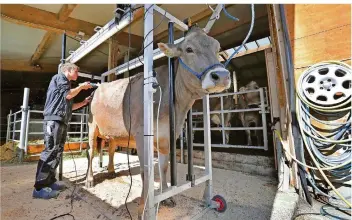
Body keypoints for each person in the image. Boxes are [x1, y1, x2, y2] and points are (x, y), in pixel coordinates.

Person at [33, 63, 93, 199]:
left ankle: (50, 181)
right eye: (76, 70)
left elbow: (70, 105)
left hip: (61, 121)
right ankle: (39, 188)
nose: (78, 73)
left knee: (57, 151)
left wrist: (83, 102)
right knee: (50, 151)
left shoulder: (66, 86)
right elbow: (68, 95)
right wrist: (82, 87)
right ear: (68, 70)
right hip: (53, 120)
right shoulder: (60, 78)